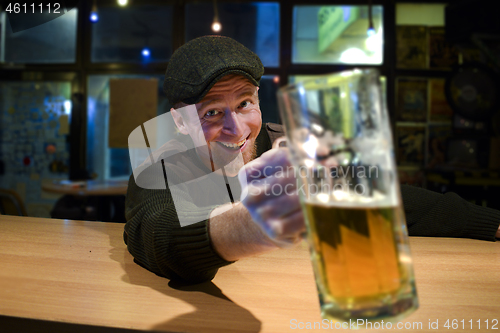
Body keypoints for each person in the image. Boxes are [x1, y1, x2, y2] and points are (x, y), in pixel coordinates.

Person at [124, 36, 500, 284]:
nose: (236, 129)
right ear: (180, 122)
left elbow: (391, 199)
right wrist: (253, 223)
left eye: (244, 104)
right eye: (211, 113)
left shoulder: (283, 147)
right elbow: (156, 235)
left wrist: (493, 224)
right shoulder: (162, 165)